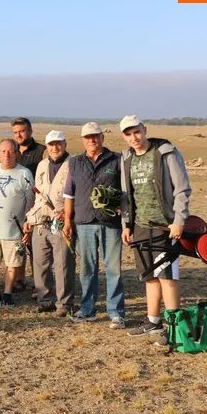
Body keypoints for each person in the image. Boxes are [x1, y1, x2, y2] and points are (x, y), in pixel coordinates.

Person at [120, 116, 192, 345]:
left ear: (145, 130)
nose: (134, 138)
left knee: (167, 277)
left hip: (166, 226)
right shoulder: (128, 158)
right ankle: (153, 321)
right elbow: (126, 195)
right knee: (149, 276)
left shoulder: (165, 152)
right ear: (124, 136)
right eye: (129, 134)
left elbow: (182, 189)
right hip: (141, 226)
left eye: (137, 132)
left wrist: (179, 220)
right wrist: (127, 225)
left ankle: (173, 329)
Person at [62, 122, 126, 327]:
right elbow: (69, 194)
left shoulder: (117, 160)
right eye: (88, 137)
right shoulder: (75, 163)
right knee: (87, 268)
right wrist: (67, 221)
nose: (92, 140)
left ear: (102, 137)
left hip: (111, 223)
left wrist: (121, 210)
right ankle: (87, 309)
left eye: (96, 136)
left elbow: (126, 191)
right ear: (83, 140)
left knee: (113, 268)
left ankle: (116, 312)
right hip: (84, 221)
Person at [0, 139, 35, 307]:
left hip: (14, 230)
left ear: (16, 153)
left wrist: (27, 223)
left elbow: (30, 201)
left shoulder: (24, 174)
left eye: (10, 151)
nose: (7, 155)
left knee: (13, 263)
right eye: (3, 151)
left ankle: (8, 293)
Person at [24, 130, 74, 316]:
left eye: (59, 143)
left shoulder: (73, 164)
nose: (55, 148)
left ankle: (65, 304)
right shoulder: (42, 165)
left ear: (65, 144)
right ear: (47, 146)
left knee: (63, 265)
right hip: (41, 221)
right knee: (40, 263)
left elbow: (76, 195)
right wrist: (30, 218)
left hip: (62, 221)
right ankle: (45, 300)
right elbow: (37, 196)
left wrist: (69, 216)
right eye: (51, 144)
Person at [11, 117, 45, 293]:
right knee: (18, 245)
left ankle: (38, 282)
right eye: (15, 132)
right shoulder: (12, 151)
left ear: (30, 131)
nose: (19, 135)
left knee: (35, 246)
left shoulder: (41, 152)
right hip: (16, 206)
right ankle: (19, 279)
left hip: (36, 206)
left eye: (22, 131)